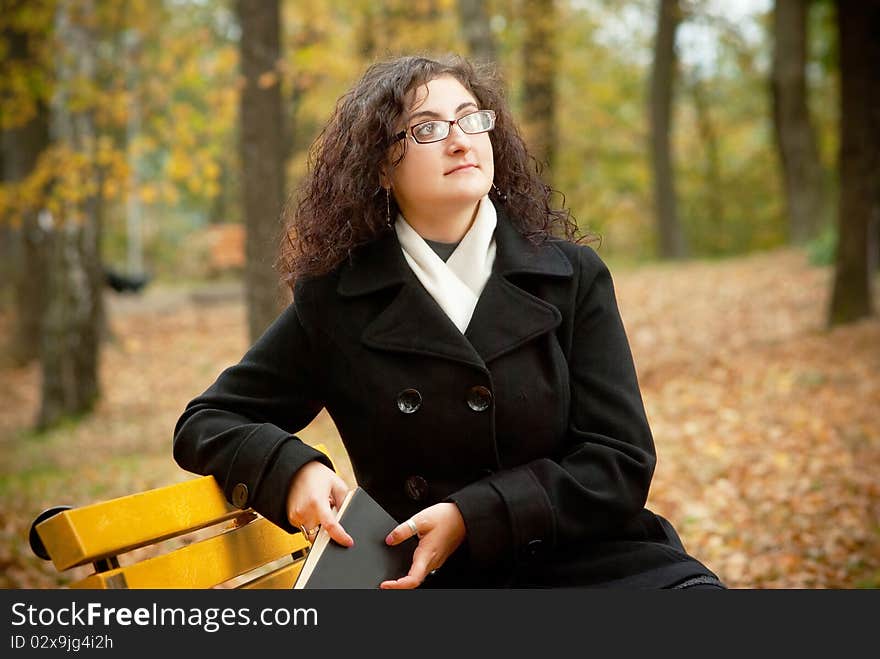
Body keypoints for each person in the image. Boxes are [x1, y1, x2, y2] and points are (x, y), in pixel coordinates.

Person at [172, 54, 725, 589]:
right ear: (381, 167)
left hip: (597, 563)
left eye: (469, 119)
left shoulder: (570, 276)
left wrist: (473, 516)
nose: (461, 139)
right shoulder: (340, 300)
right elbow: (208, 420)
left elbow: (620, 462)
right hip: (437, 583)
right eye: (427, 129)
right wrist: (291, 470)